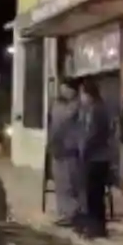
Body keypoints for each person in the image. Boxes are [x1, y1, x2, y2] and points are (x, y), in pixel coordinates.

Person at [78, 78, 114, 239]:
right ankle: (98, 228)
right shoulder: (100, 107)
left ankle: (95, 228)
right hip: (101, 157)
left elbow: (92, 134)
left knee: (93, 195)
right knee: (97, 195)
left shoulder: (95, 110)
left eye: (82, 94)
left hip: (95, 158)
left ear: (88, 94)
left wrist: (83, 149)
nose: (81, 97)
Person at [47, 79, 82, 227]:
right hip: (58, 149)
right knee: (61, 184)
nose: (63, 91)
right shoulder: (58, 105)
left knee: (69, 183)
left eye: (66, 88)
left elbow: (65, 121)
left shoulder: (76, 106)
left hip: (69, 150)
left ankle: (71, 214)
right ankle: (64, 212)